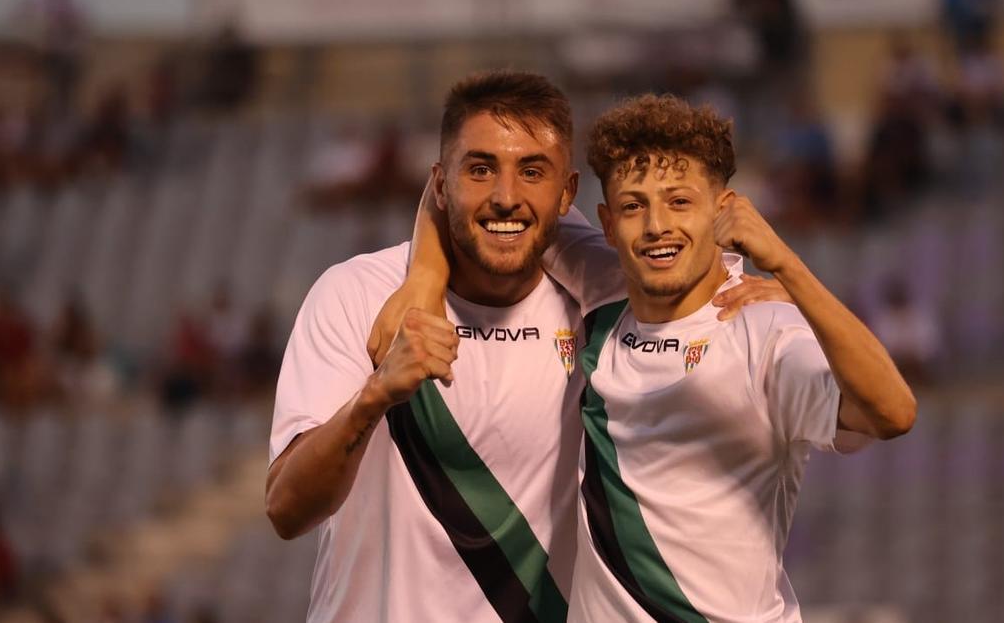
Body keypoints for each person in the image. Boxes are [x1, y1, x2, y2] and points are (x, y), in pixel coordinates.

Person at [266, 72, 788, 622]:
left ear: (568, 193)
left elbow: (695, 279)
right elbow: (287, 510)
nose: (506, 196)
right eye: (481, 168)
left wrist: (782, 293)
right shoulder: (357, 295)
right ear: (441, 185)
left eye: (532, 171)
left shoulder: (609, 295)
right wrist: (374, 397)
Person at [554, 95, 915, 621]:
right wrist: (425, 273)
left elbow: (894, 412)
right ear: (608, 225)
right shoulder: (601, 296)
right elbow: (482, 197)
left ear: (724, 210)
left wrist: (789, 268)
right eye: (634, 206)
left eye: (680, 201)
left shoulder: (764, 329)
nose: (656, 225)